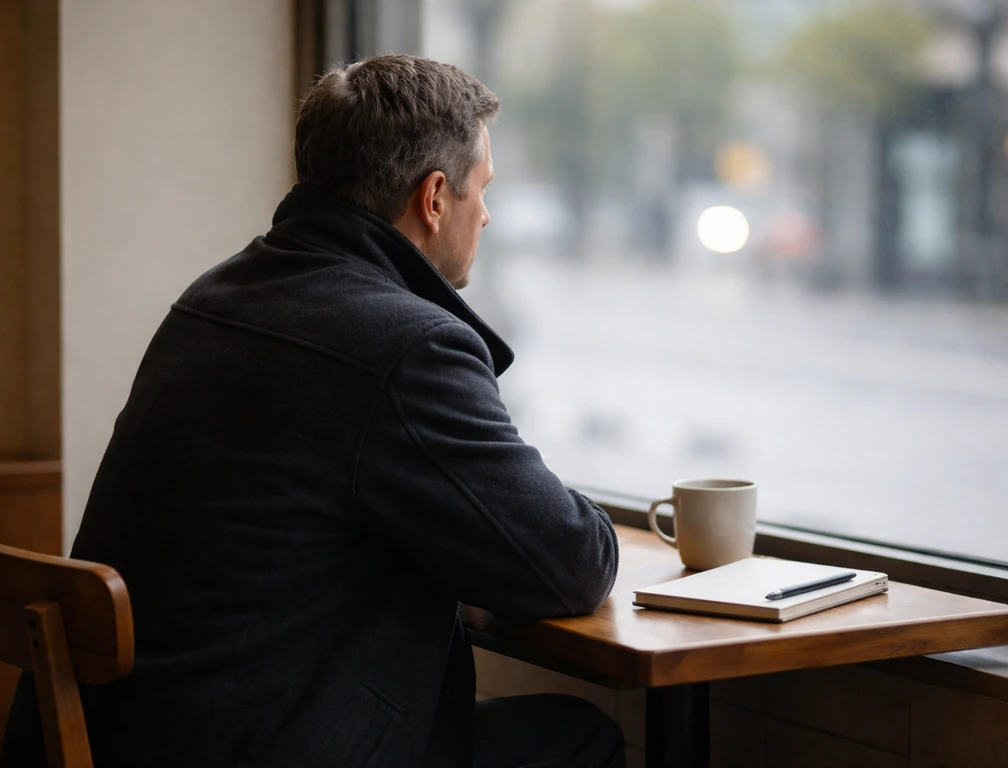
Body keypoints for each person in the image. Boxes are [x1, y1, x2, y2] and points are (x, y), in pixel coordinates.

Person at [0, 55, 623, 768]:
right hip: (251, 744)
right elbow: (570, 561)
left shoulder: (214, 297)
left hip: (133, 736)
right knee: (580, 740)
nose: (487, 212)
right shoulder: (407, 344)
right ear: (434, 197)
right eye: (483, 189)